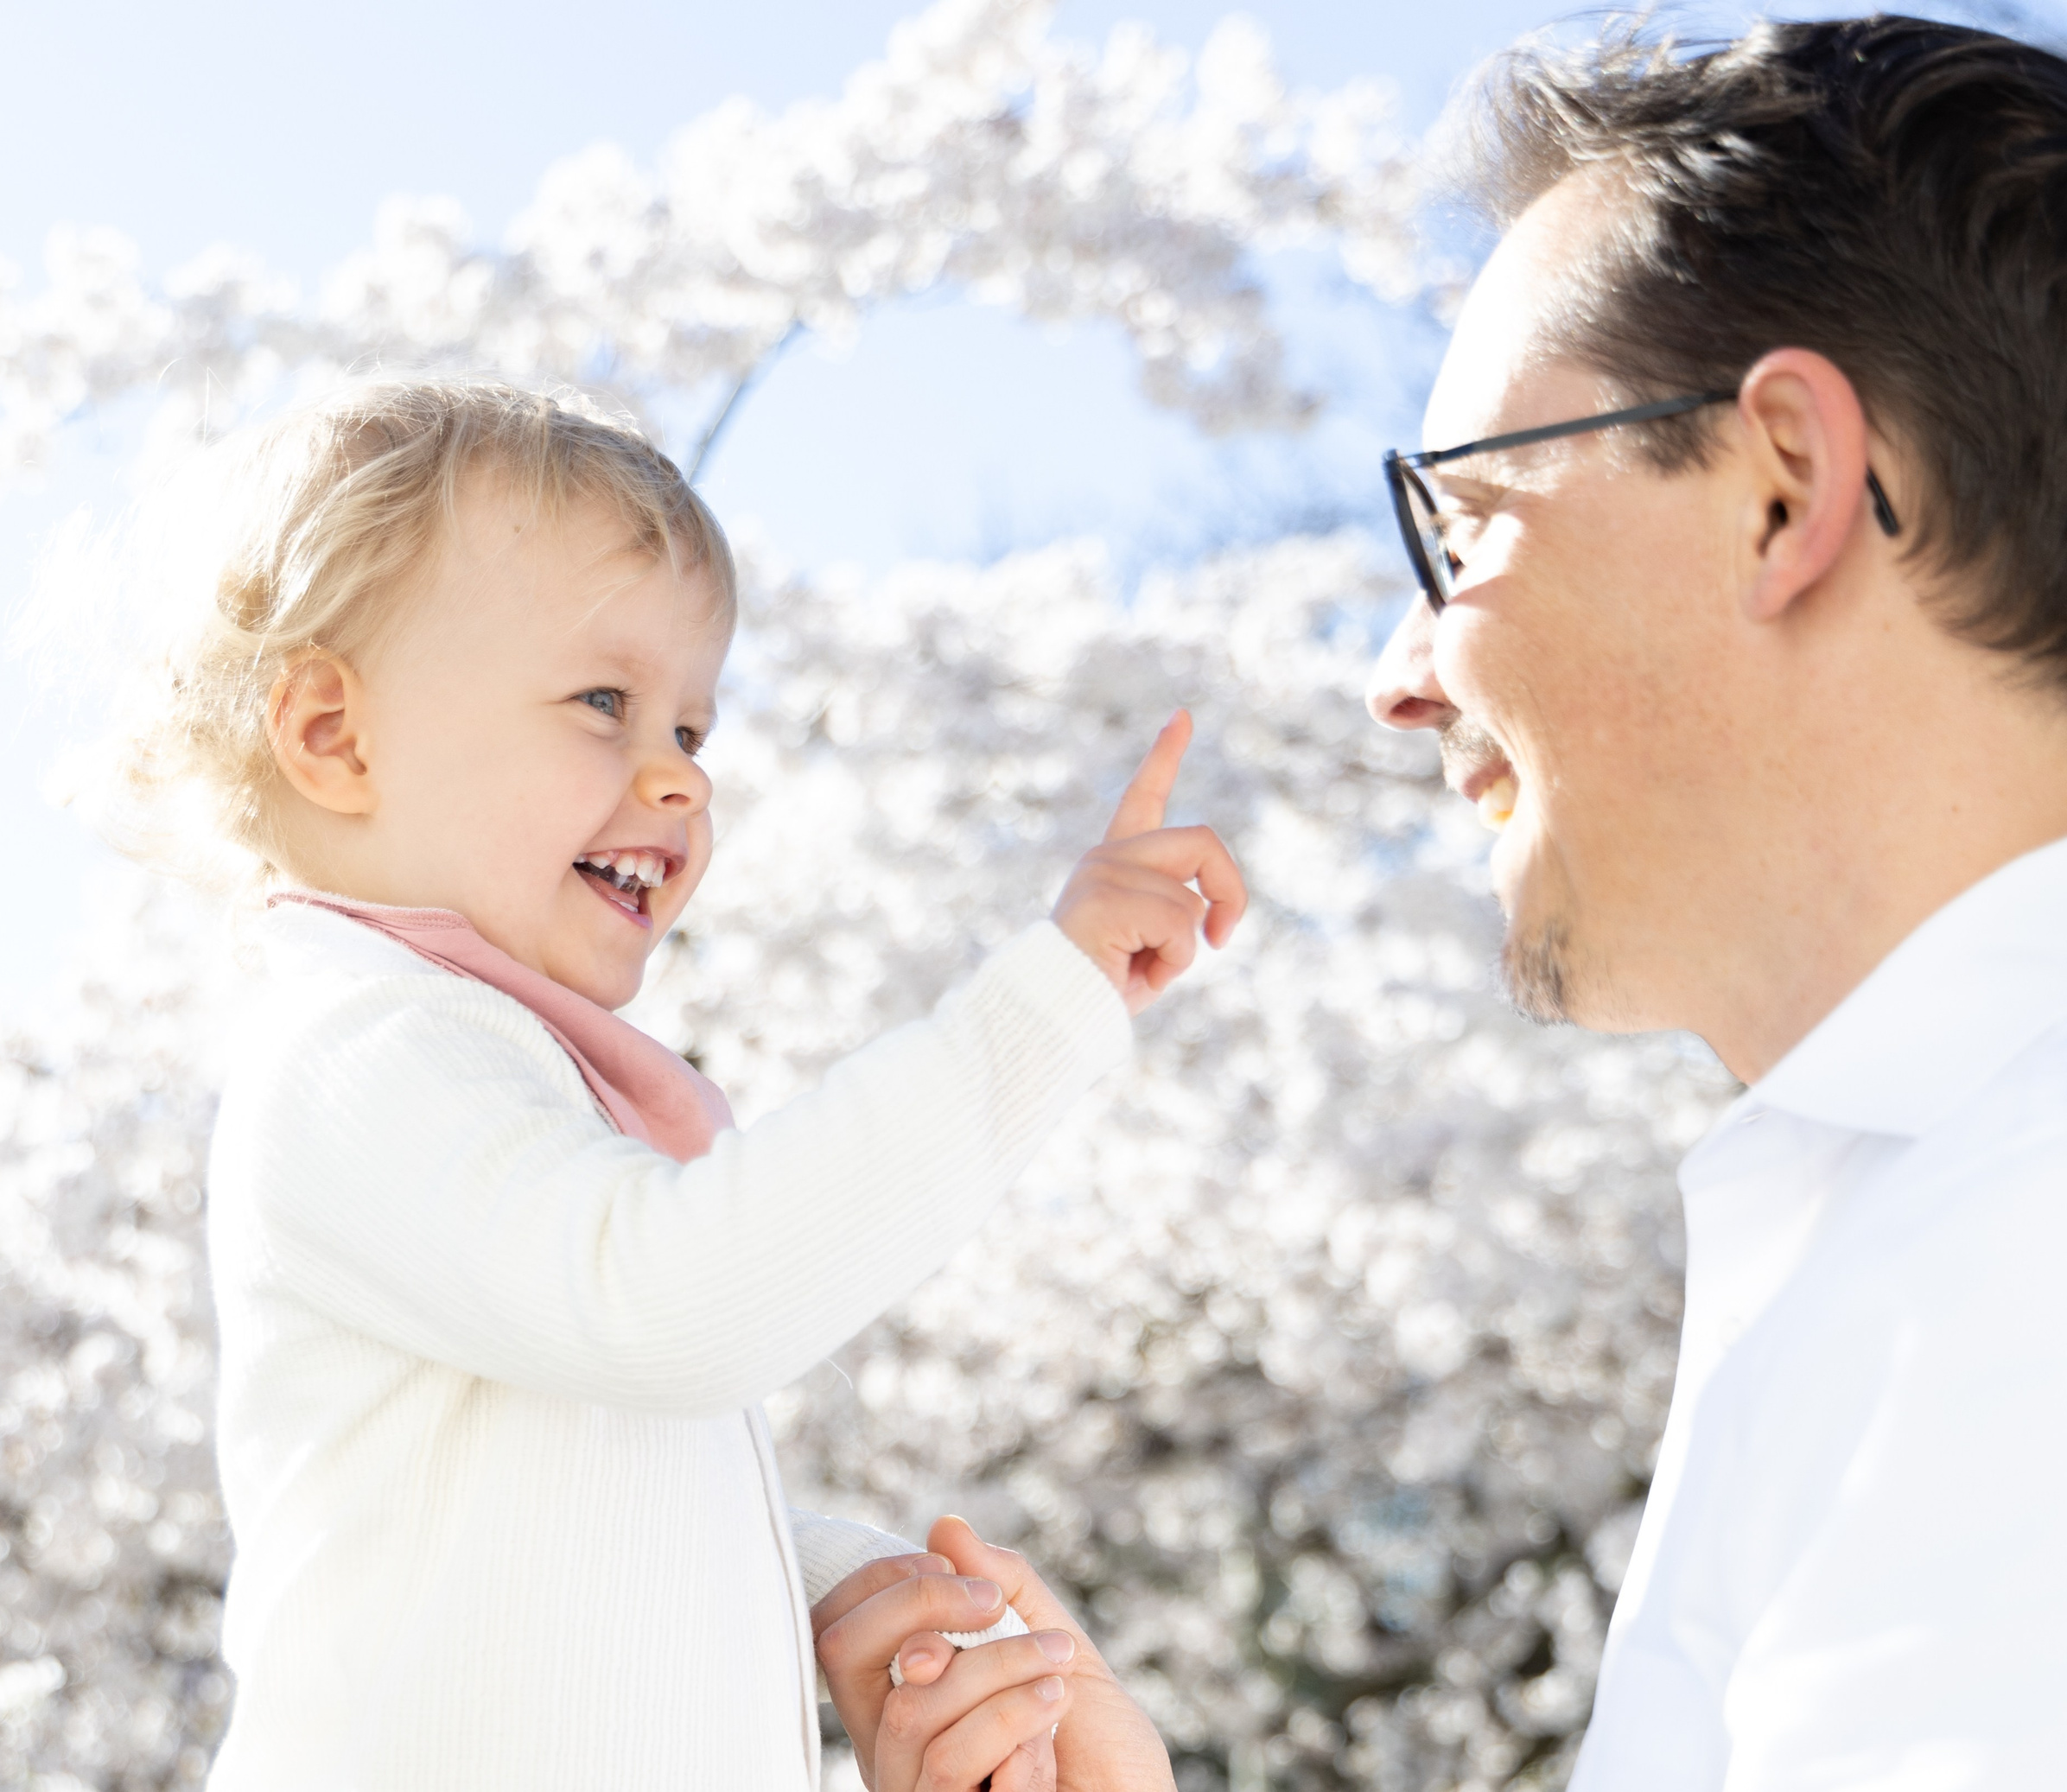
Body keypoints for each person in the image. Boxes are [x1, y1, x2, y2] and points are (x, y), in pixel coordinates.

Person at [815, 14, 2067, 1787]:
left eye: (1463, 531)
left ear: (1783, 486)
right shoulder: (1898, 1218)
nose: (1394, 677)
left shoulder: (2006, 1260)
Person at [86, 376, 1246, 1789]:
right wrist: (1045, 1004)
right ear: (334, 734)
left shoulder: (502, 1080)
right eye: (604, 703)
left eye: (691, 730)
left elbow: (572, 1484)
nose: (682, 778)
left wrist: (826, 1579)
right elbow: (667, 1305)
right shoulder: (366, 1053)